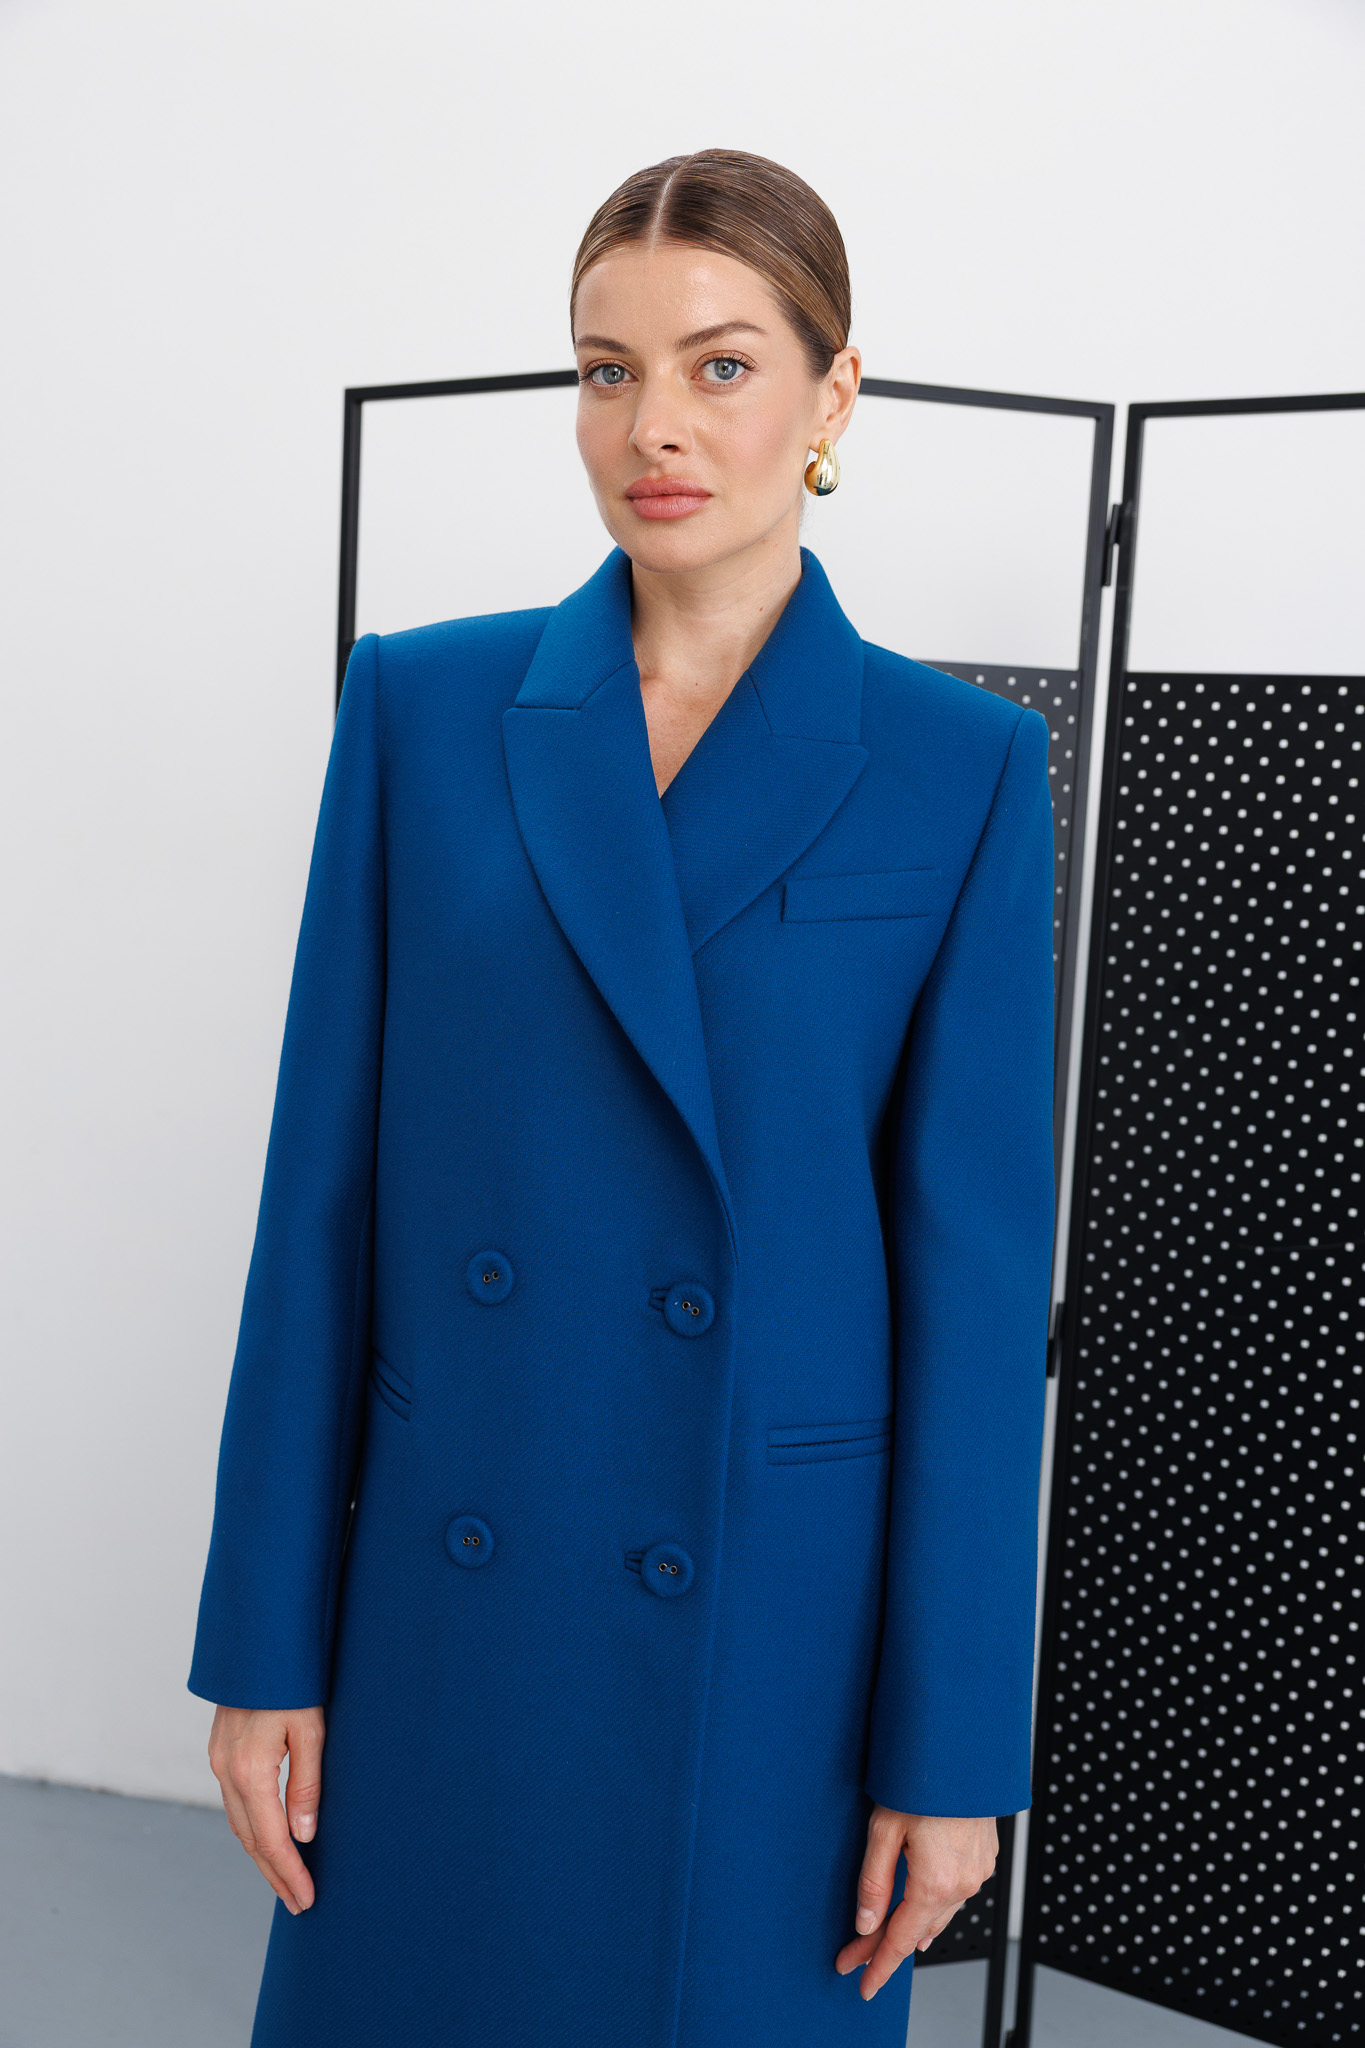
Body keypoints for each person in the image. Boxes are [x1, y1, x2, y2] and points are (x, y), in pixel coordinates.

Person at [189, 147, 1056, 2048]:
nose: (653, 426)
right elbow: (315, 1210)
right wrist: (261, 1646)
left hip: (767, 1639)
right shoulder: (421, 711)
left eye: (720, 365)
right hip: (445, 1614)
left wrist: (951, 1749)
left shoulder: (962, 766)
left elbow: (978, 1310)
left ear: (833, 395)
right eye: (606, 368)